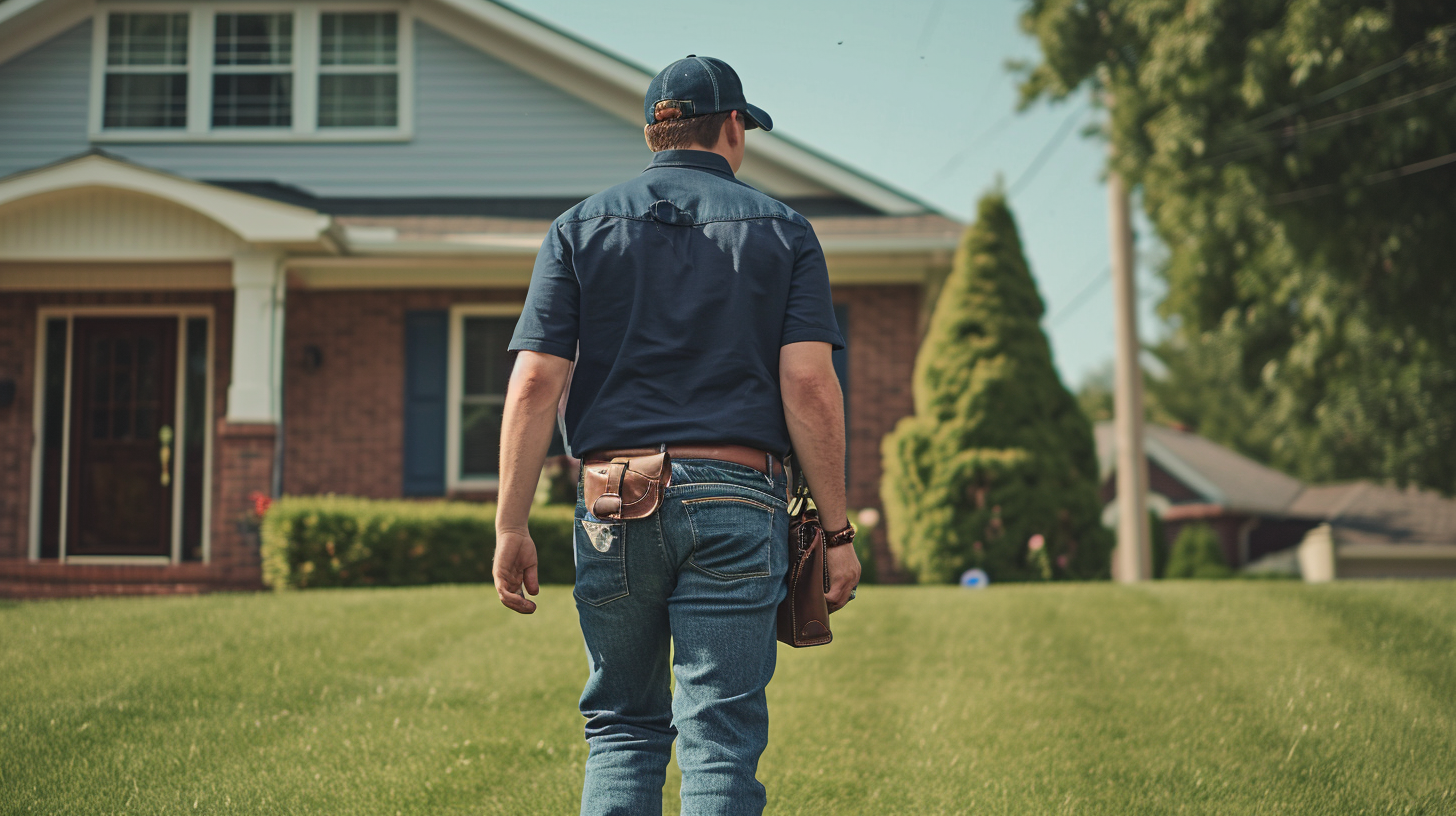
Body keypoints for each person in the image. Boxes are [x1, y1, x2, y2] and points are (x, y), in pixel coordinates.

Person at [492, 55, 861, 816]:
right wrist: (838, 529)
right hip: (737, 498)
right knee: (718, 736)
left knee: (624, 727)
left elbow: (533, 383)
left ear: (656, 132)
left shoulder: (577, 229)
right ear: (734, 126)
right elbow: (808, 386)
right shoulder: (785, 231)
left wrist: (510, 523)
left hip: (612, 501)